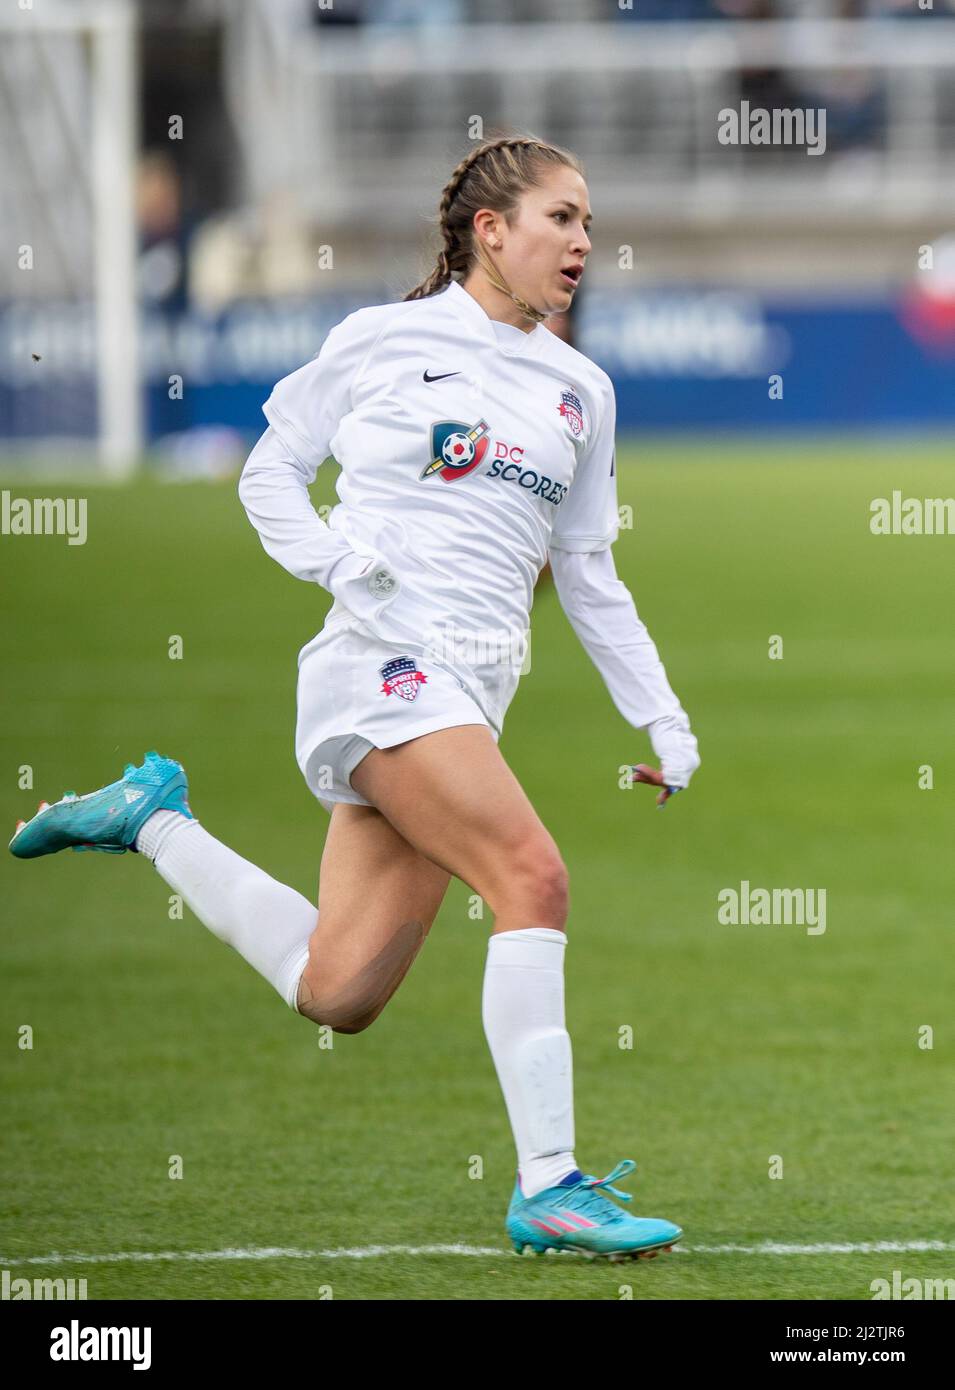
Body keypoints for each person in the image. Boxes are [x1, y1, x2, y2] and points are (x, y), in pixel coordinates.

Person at [10, 133, 700, 1263]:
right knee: (532, 876)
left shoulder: (583, 389)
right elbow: (267, 469)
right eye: (561, 218)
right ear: (491, 231)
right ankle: (551, 1184)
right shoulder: (382, 341)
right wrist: (336, 561)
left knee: (338, 989)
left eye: (587, 221)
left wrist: (662, 718)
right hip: (378, 669)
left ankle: (152, 818)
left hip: (468, 695)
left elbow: (587, 570)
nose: (583, 241)